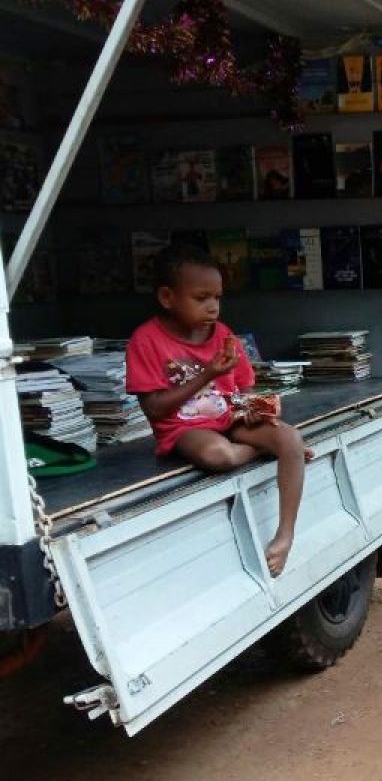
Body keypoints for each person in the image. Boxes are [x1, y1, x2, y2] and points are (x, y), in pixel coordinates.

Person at [126, 243, 311, 577]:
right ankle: (266, 450)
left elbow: (244, 388)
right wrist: (208, 373)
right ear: (167, 297)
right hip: (184, 428)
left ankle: (285, 535)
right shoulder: (146, 340)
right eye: (201, 298)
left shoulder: (223, 334)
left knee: (290, 437)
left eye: (218, 297)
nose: (213, 307)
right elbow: (154, 409)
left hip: (230, 418)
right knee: (219, 457)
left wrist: (255, 408)